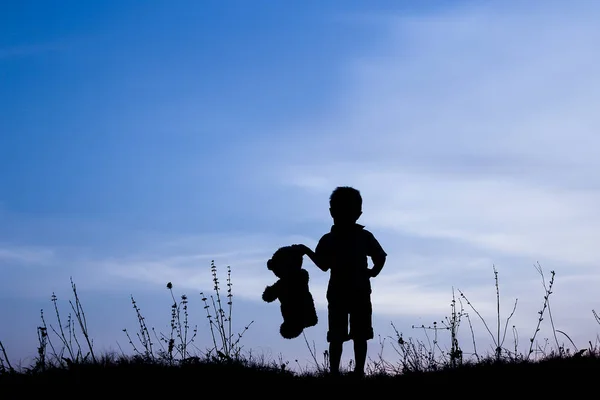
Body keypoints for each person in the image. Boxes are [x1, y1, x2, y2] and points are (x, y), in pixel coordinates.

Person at [294, 186, 387, 377]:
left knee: (354, 334)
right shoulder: (334, 239)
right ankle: (340, 371)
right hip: (342, 292)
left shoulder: (355, 237)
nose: (343, 215)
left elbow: (380, 257)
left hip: (353, 291)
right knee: (343, 335)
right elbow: (380, 257)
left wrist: (372, 273)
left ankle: (352, 371)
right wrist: (372, 272)